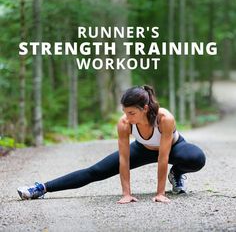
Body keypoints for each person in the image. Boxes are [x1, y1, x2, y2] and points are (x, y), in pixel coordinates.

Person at [17, 85, 206, 203]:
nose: (127, 117)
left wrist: (160, 193)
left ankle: (177, 174)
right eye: (125, 112)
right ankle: (41, 188)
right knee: (95, 171)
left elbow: (162, 158)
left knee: (195, 158)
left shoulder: (164, 118)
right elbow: (124, 160)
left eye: (132, 113)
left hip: (173, 149)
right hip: (141, 149)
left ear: (145, 108)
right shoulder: (124, 123)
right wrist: (126, 193)